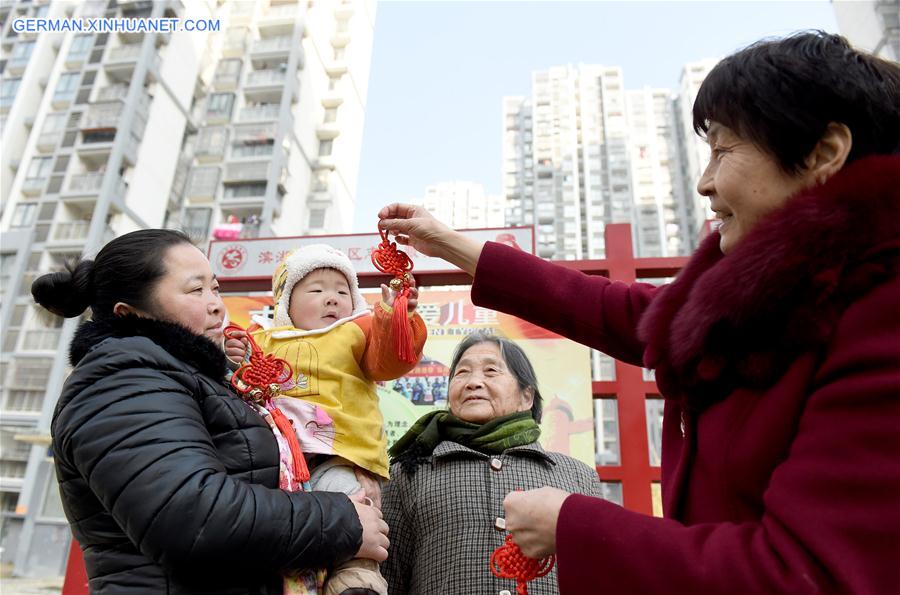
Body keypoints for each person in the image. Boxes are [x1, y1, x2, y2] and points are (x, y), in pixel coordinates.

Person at [378, 32, 900, 593]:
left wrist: (574, 525)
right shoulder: (770, 295)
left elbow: (809, 574)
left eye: (723, 151)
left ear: (822, 154)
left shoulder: (880, 314)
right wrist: (450, 244)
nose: (704, 183)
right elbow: (619, 310)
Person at [33, 230, 389, 595]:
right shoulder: (121, 378)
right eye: (195, 290)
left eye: (215, 288)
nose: (217, 304)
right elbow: (192, 518)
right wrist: (343, 519)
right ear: (130, 313)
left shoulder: (194, 377)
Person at [225, 244, 427, 595]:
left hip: (340, 456)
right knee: (285, 539)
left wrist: (397, 321)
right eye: (316, 290)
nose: (331, 298)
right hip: (278, 463)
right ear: (285, 304)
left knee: (354, 514)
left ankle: (357, 582)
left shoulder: (360, 331)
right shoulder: (261, 340)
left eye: (342, 290)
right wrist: (234, 357)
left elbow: (392, 358)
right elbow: (237, 387)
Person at [381, 332, 603, 594]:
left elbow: (597, 577)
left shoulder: (578, 478)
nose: (474, 382)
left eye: (490, 371)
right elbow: (389, 580)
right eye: (462, 373)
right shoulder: (408, 474)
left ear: (527, 397)